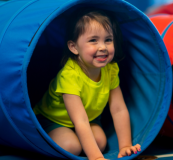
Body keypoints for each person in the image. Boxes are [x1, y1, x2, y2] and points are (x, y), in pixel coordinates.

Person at [33, 9, 141, 160]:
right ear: (74, 47)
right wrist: (96, 158)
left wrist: (125, 146)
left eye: (108, 40)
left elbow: (118, 109)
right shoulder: (69, 76)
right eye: (93, 40)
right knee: (71, 146)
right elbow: (80, 120)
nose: (102, 47)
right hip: (54, 120)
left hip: (89, 118)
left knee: (100, 142)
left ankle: (82, 140)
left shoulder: (110, 69)